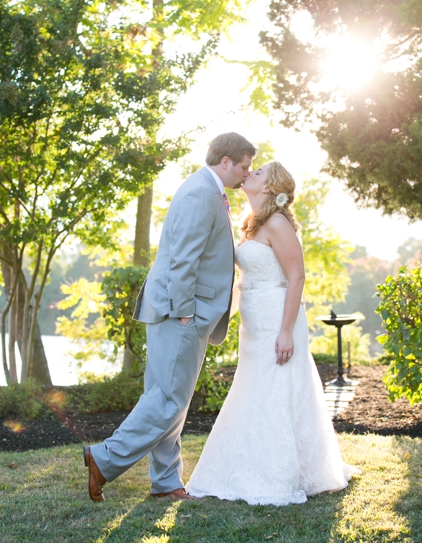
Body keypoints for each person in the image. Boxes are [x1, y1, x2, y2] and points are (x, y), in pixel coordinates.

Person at [84, 132, 256, 502]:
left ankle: (165, 482)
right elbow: (184, 257)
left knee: (166, 397)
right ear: (225, 162)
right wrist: (183, 313)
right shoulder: (199, 192)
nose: (247, 173)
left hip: (183, 312)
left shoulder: (207, 190)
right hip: (180, 312)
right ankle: (104, 458)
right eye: (244, 166)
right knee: (168, 402)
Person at [186, 161, 358, 504]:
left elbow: (297, 277)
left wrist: (285, 332)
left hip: (277, 322)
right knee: (254, 389)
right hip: (253, 324)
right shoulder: (253, 225)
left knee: (275, 390)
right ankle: (248, 463)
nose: (250, 173)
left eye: (259, 172)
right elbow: (244, 279)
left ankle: (277, 472)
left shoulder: (278, 224)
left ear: (269, 187)